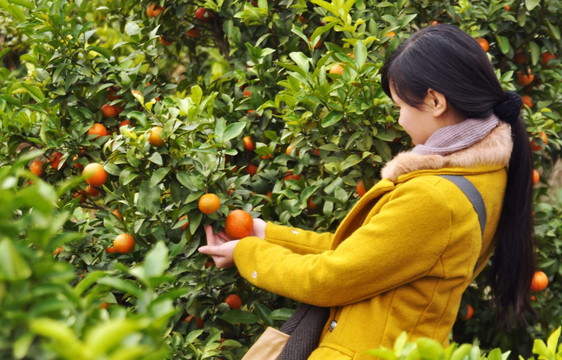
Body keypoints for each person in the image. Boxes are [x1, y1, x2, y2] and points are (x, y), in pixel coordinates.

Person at [199, 24, 535, 359]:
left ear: (435, 101)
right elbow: (362, 253)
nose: (401, 120)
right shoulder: (487, 174)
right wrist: (266, 233)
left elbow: (327, 279)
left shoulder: (435, 199)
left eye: (401, 107)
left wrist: (247, 253)